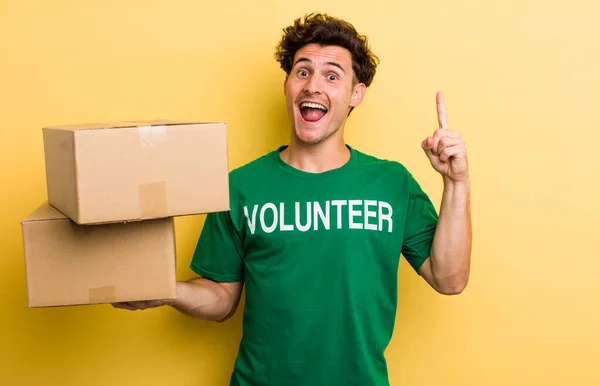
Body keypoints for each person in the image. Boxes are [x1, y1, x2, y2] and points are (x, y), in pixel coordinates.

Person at [113, 12, 472, 386]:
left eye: (332, 75)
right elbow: (221, 297)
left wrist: (456, 182)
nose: (313, 86)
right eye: (302, 72)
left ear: (356, 93)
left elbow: (448, 278)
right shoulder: (240, 186)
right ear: (287, 84)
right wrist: (169, 291)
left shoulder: (391, 183)